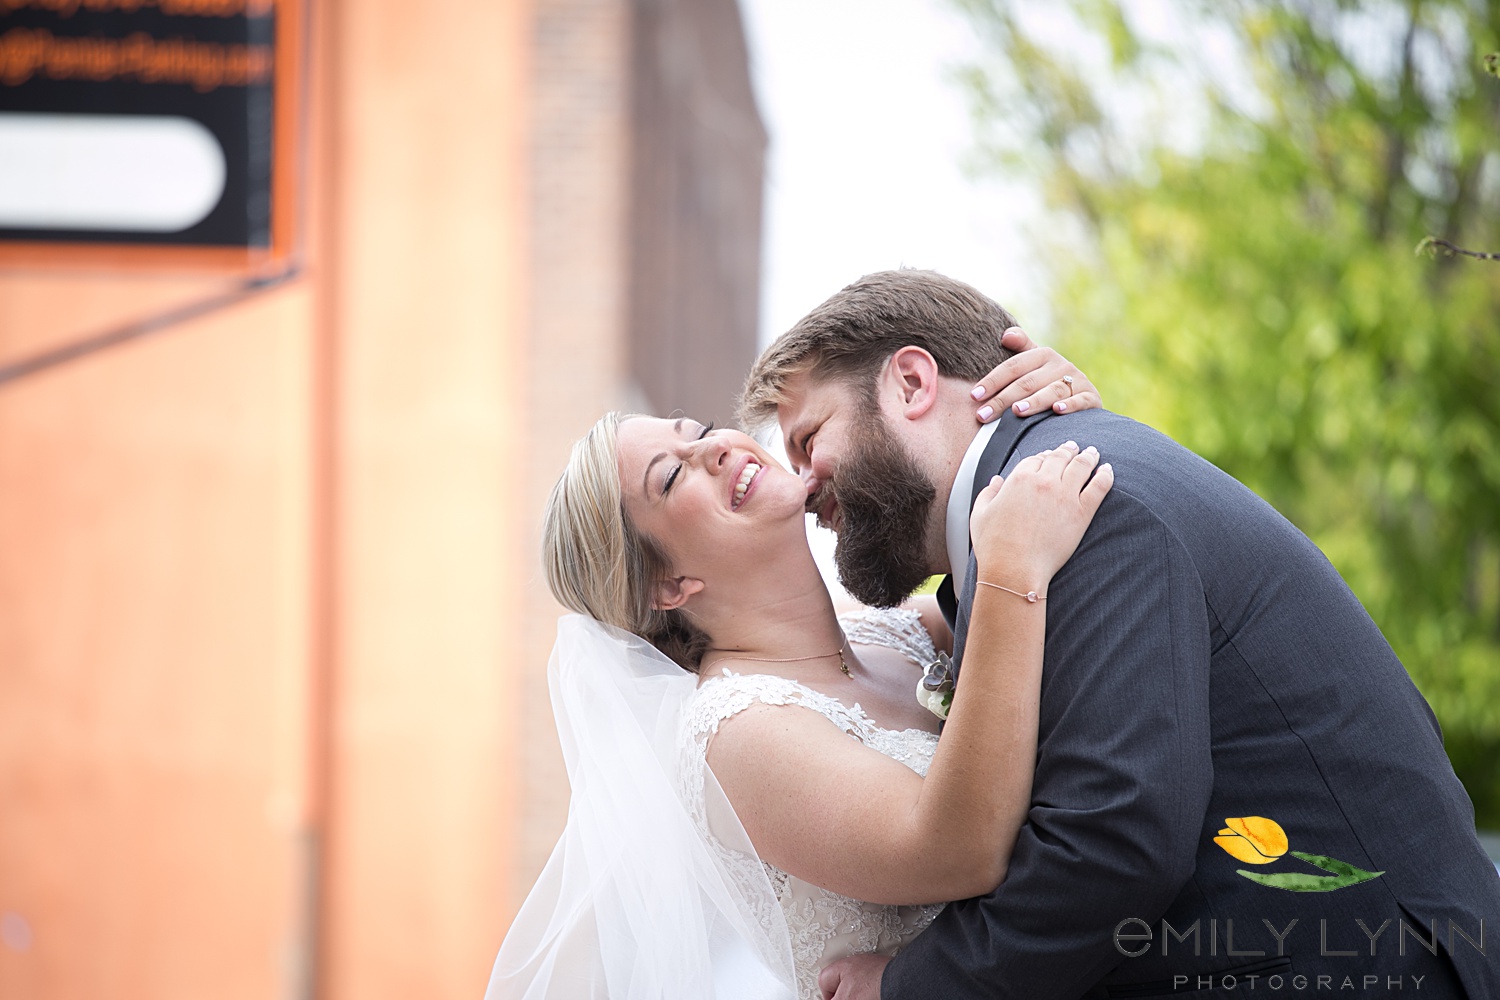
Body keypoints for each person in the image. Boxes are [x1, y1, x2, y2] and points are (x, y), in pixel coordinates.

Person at [738, 269, 1500, 1000]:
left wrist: (909, 986)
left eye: (809, 438)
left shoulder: (1085, 503)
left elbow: (1114, 839)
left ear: (911, 382)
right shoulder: (1027, 534)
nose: (803, 485)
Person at [484, 337, 1112, 1000]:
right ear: (667, 586)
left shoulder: (902, 634)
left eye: (697, 433)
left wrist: (1062, 423)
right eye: (671, 478)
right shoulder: (737, 733)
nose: (716, 447)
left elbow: (1066, 613)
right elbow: (960, 848)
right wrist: (1013, 568)